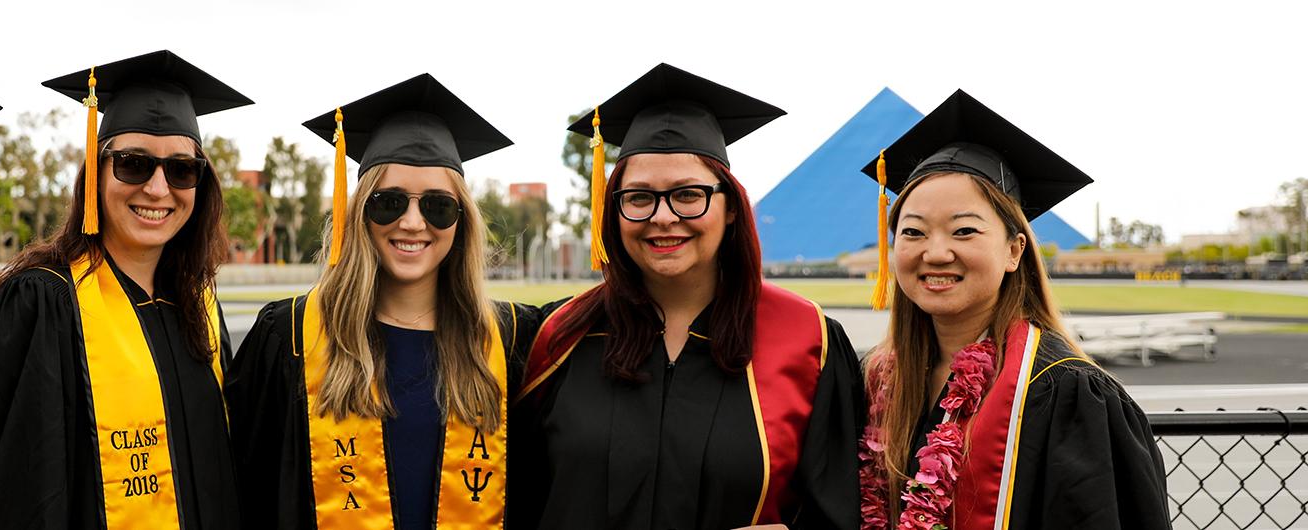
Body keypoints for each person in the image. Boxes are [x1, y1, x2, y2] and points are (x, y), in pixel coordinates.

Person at [511, 64, 864, 530]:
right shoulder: (560, 337)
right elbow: (509, 497)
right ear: (613, 209)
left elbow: (841, 507)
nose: (663, 217)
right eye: (639, 197)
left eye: (688, 194)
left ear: (731, 207)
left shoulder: (806, 340)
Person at [0, 50, 252, 530]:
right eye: (133, 165)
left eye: (182, 170)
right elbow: (15, 493)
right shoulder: (44, 303)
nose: (157, 188)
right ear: (96, 171)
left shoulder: (200, 304)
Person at [227, 74, 541, 529]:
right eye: (388, 202)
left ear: (462, 221)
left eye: (438, 206)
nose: (413, 223)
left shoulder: (510, 342)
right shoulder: (289, 338)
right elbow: (245, 493)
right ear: (359, 213)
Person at [854, 90, 1167, 529]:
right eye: (913, 232)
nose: (936, 252)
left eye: (964, 231)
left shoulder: (1065, 392)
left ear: (1014, 251)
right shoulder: (870, 381)